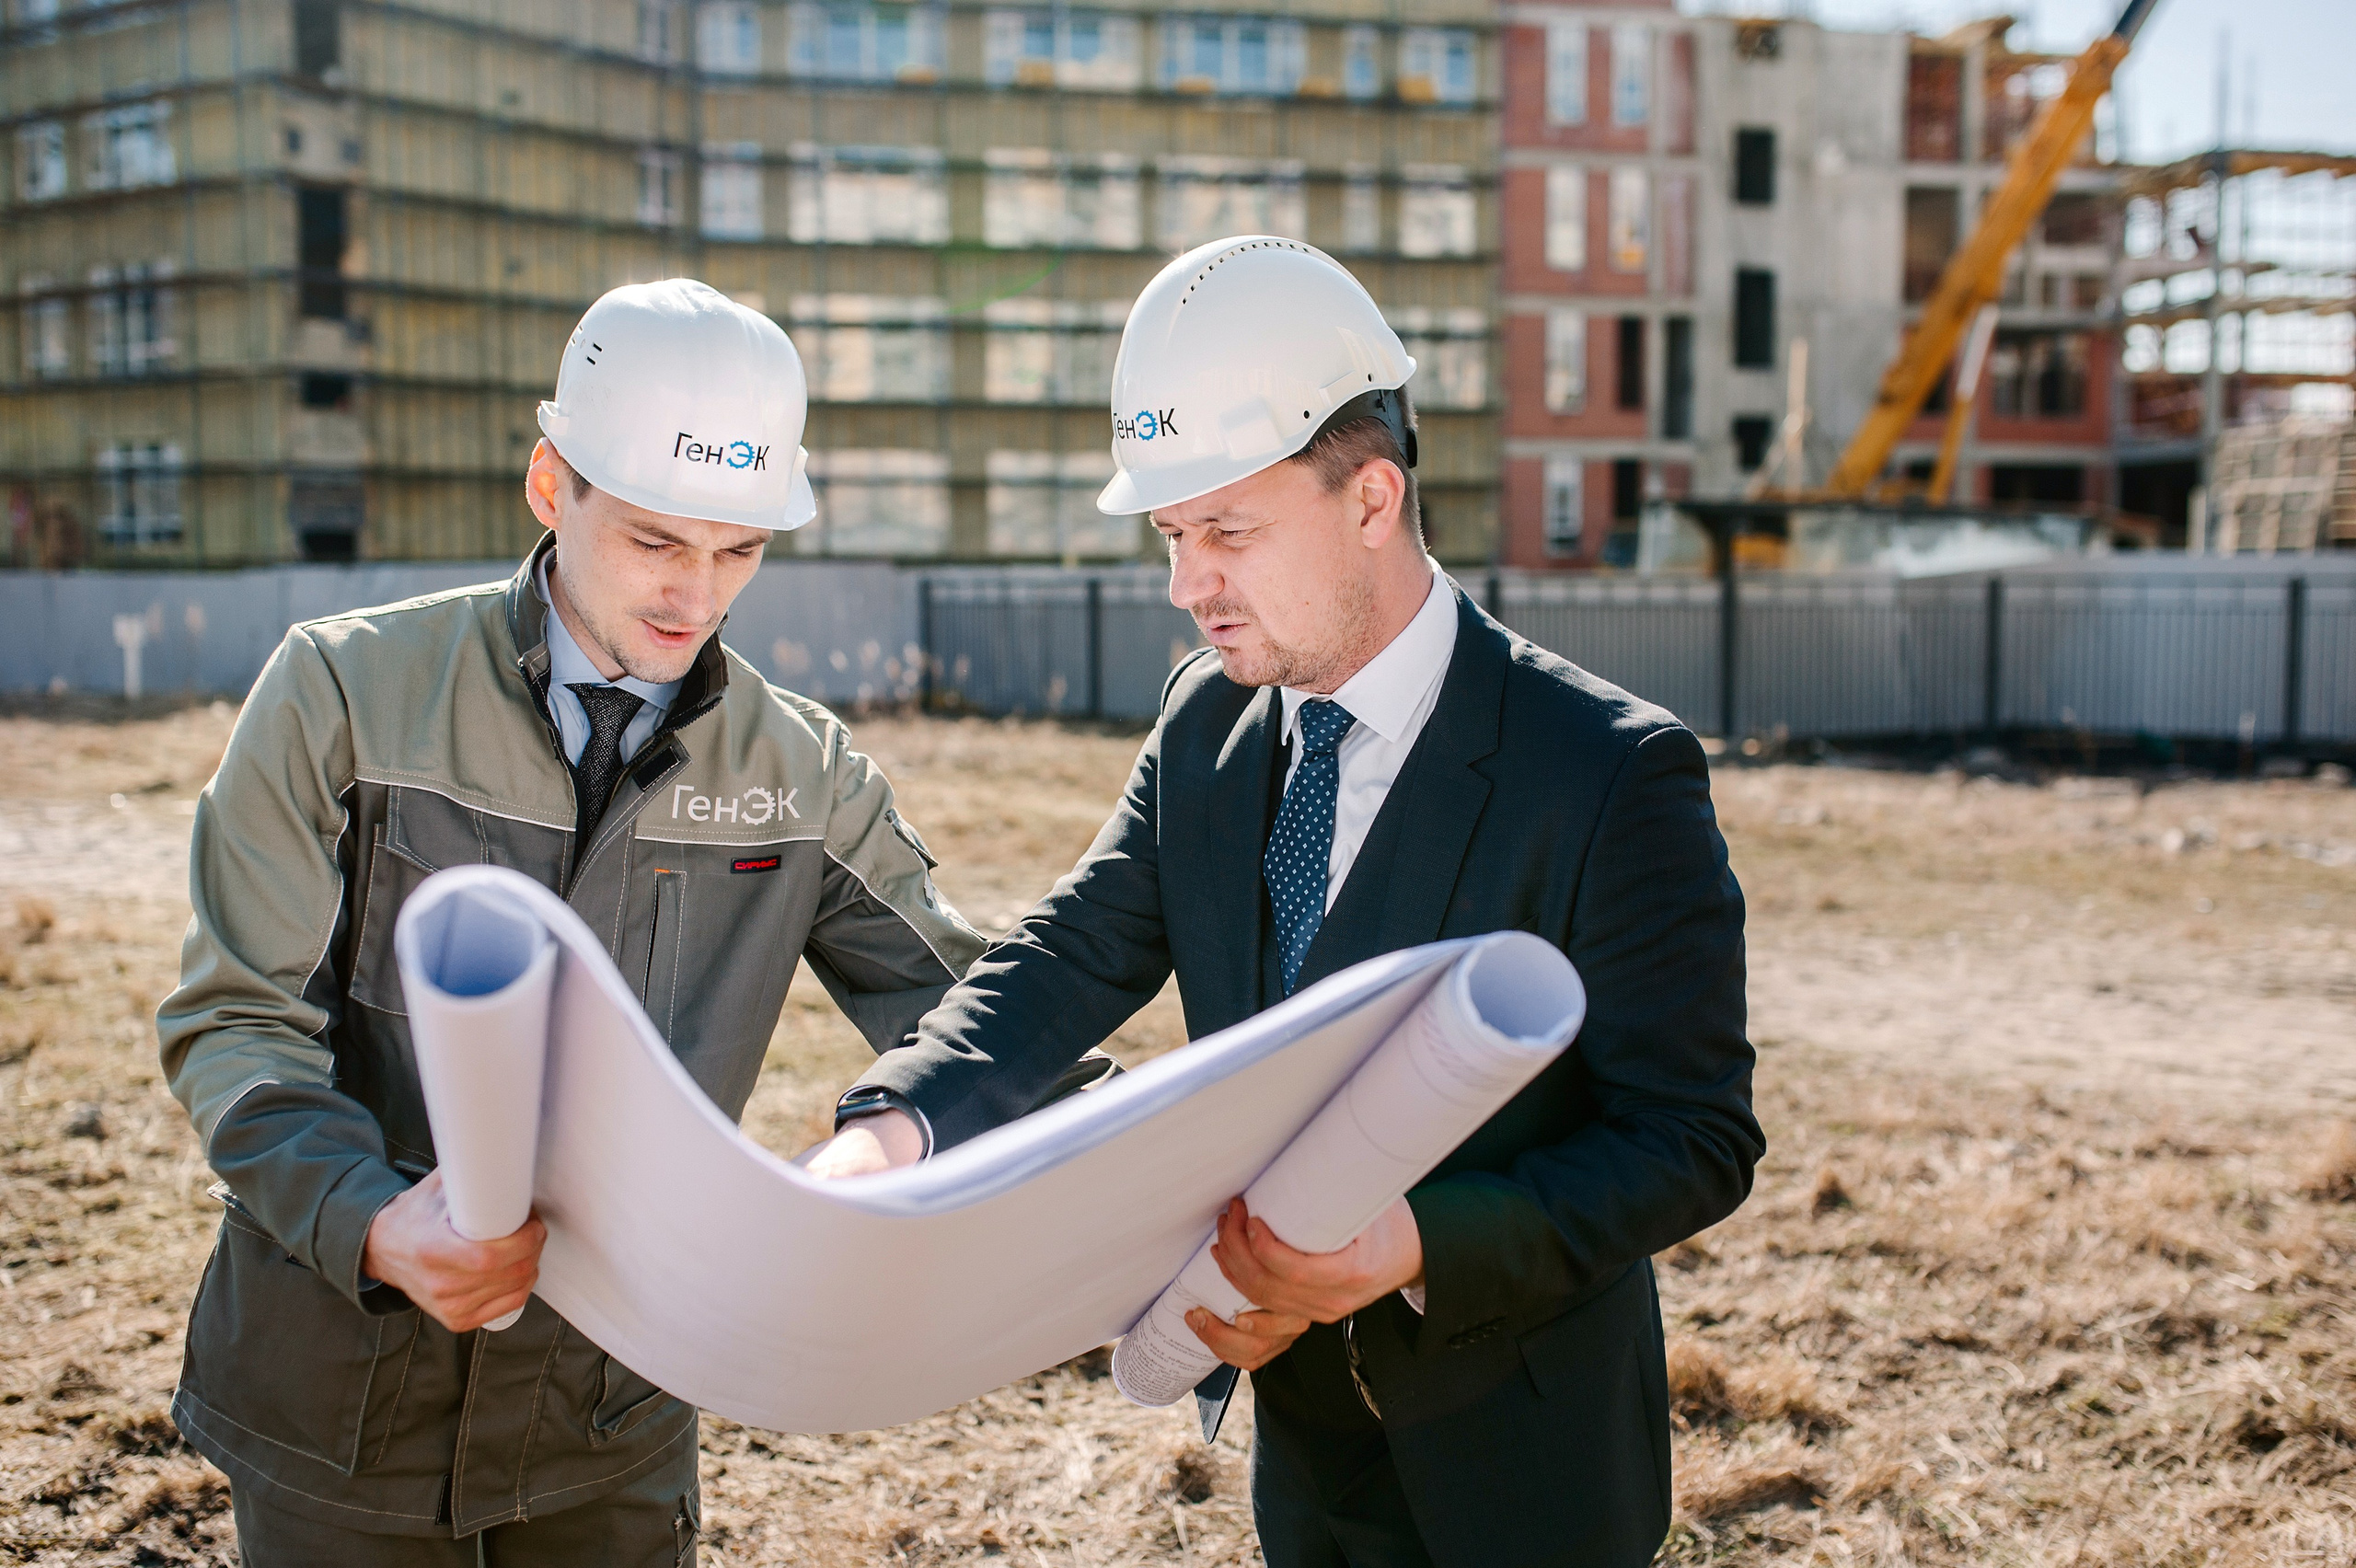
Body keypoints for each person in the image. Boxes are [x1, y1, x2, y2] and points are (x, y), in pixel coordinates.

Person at [806, 237, 1765, 1568]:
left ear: (1372, 498)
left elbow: (1692, 1136)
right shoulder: (1205, 723)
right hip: (1307, 1459)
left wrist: (1412, 1245)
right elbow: (1073, 949)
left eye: (1228, 531)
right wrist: (893, 1129)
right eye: (1171, 535)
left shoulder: (1605, 771)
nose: (1186, 584)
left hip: (1527, 1468)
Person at [156, 279, 995, 1564]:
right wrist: (373, 1221)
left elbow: (978, 1018)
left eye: (739, 551)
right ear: (552, 486)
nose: (696, 596)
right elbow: (237, 1024)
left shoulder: (803, 773)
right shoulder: (342, 693)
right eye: (657, 540)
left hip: (610, 1422)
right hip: (340, 1407)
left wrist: (1183, 1161)